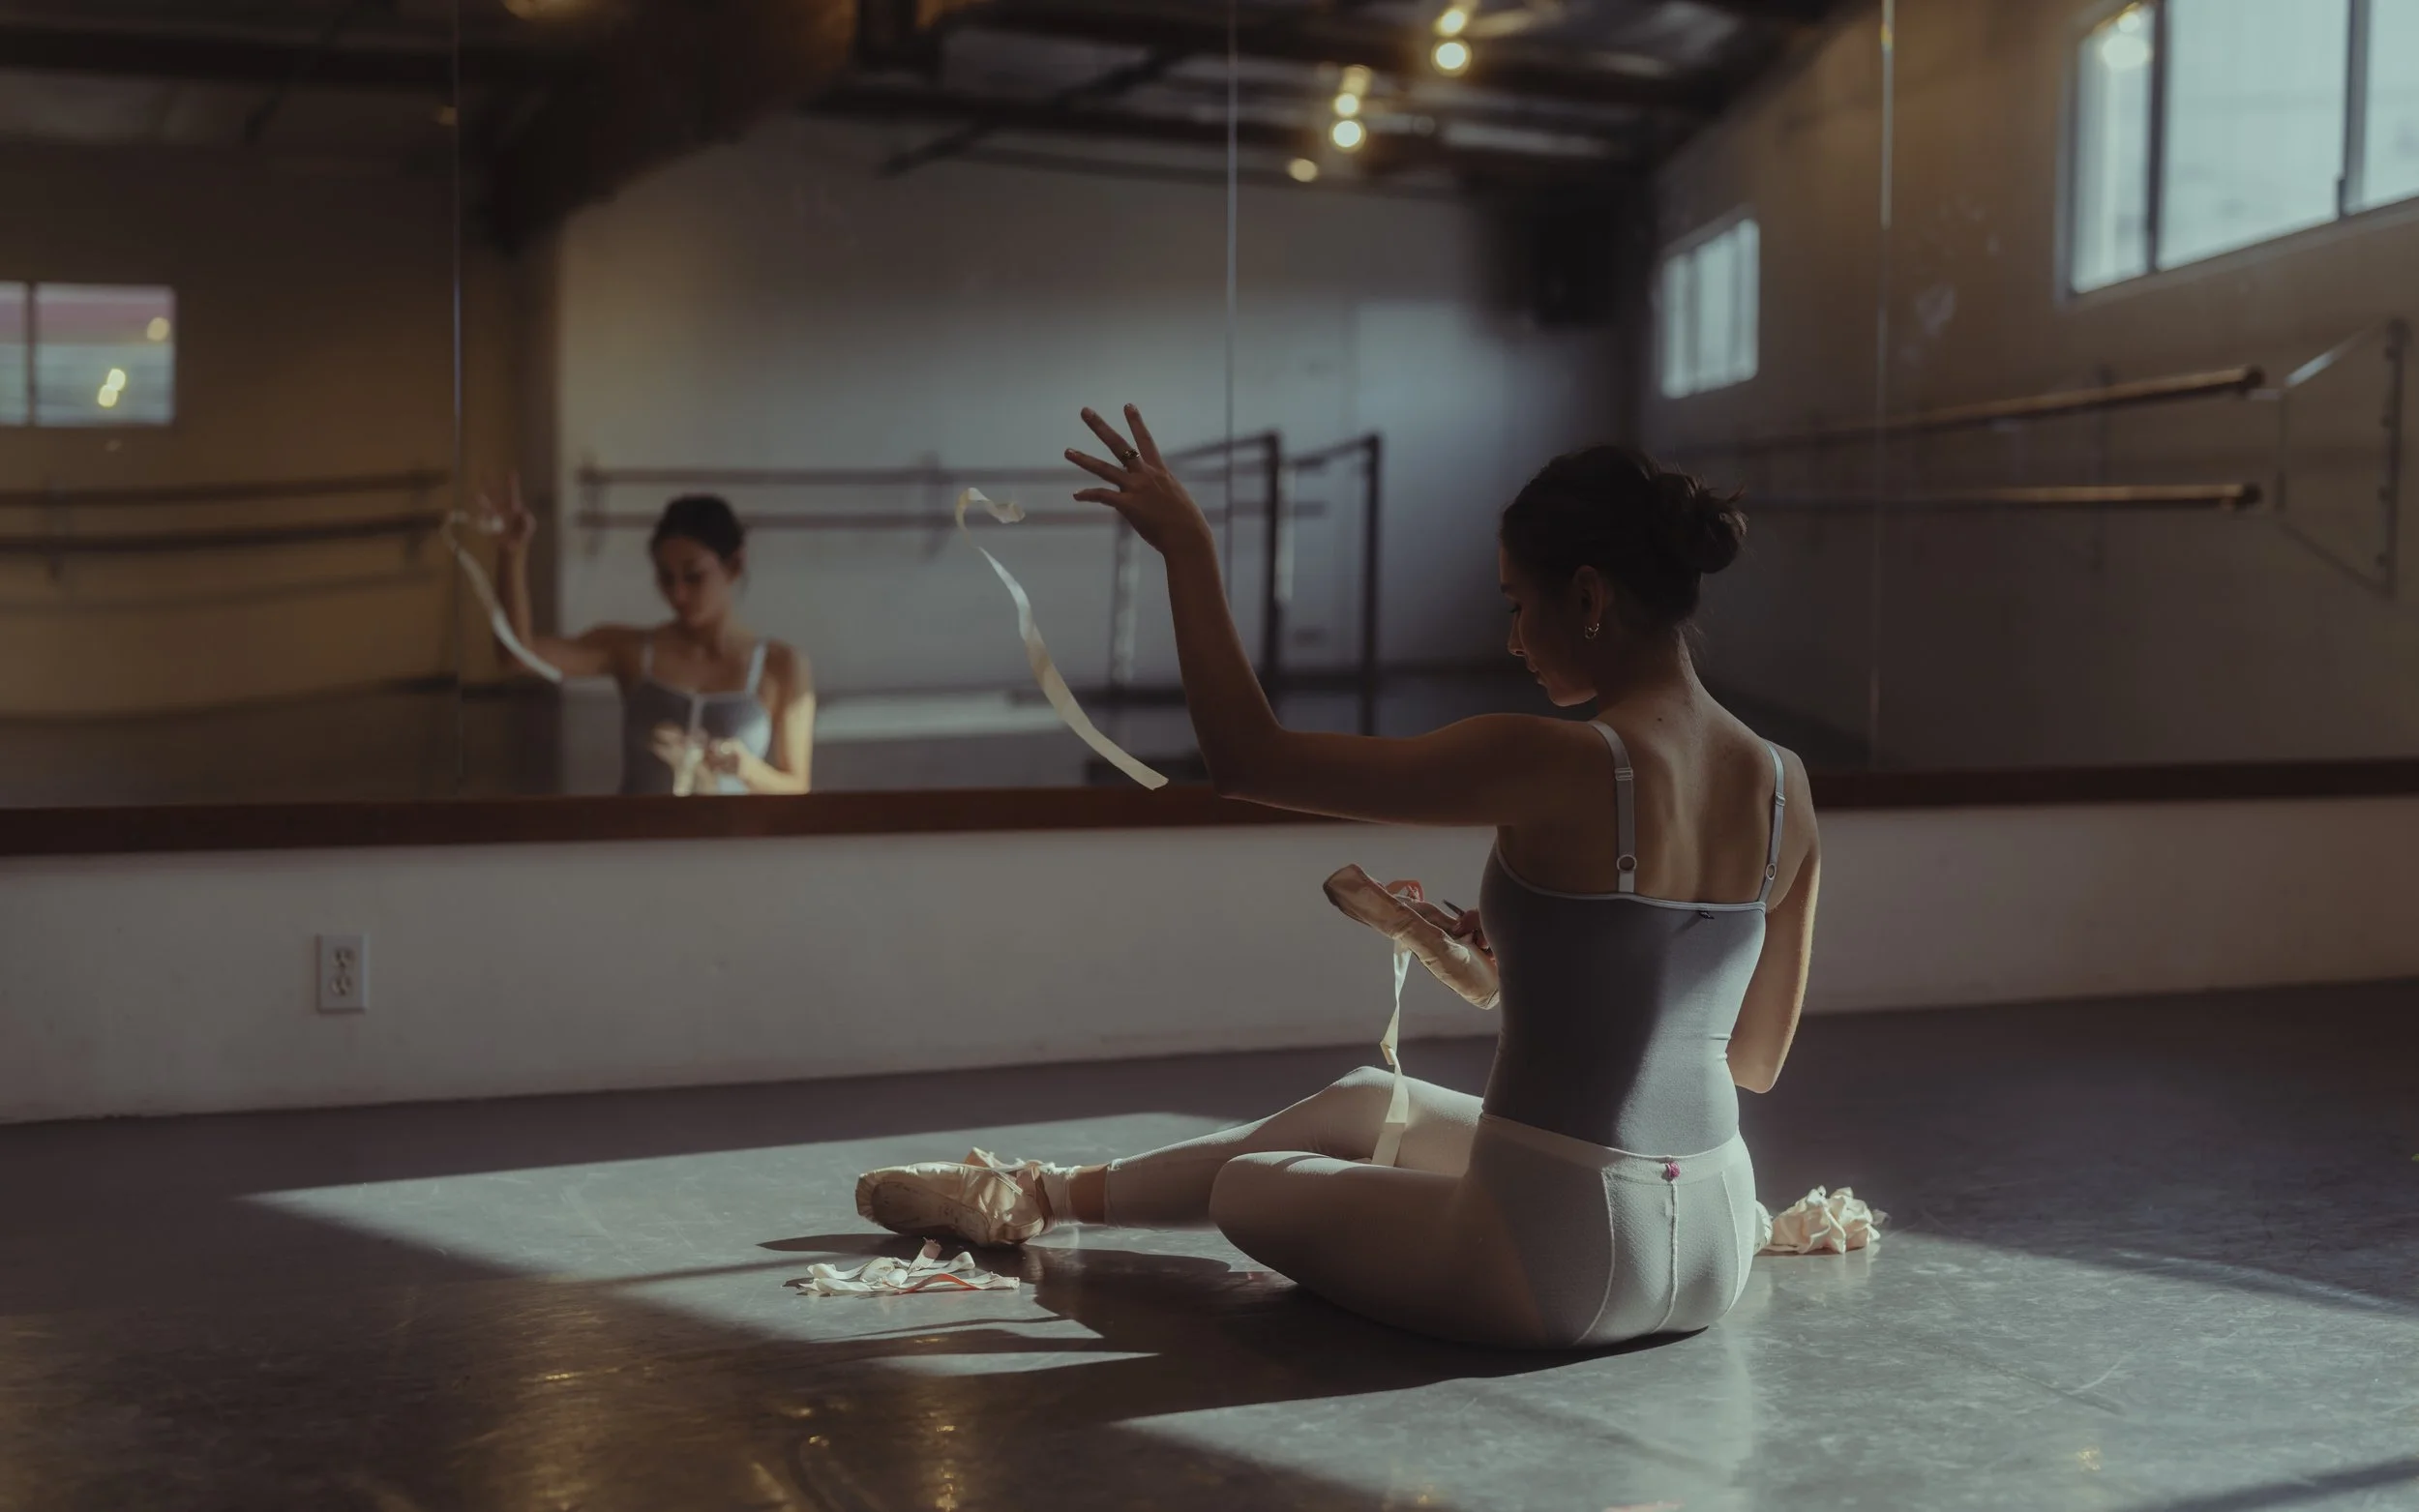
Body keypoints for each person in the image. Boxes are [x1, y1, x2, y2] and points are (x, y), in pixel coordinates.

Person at [857, 407, 1819, 1350]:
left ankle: (1045, 1200)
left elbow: (1246, 759)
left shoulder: (1551, 760)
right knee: (1366, 1100)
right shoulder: (1786, 786)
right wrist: (1505, 964)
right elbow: (1750, 1059)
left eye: (1515, 605)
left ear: (1588, 597)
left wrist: (1188, 549)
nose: (1513, 639)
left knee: (1247, 1186)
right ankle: (1032, 1196)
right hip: (1713, 1241)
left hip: (1556, 1258)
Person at [481, 481, 815, 795]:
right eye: (666, 578)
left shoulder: (781, 665)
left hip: (732, 849)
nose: (678, 593)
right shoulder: (631, 650)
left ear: (734, 566)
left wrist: (749, 771)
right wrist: (513, 555)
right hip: (637, 845)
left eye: (694, 576)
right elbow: (517, 656)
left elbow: (798, 787)